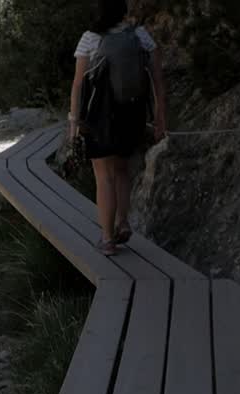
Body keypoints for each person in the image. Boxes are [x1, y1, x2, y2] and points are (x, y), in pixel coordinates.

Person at [68, 0, 168, 256]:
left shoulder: (90, 38)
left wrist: (75, 122)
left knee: (104, 177)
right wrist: (160, 118)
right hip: (131, 114)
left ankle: (107, 239)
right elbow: (157, 79)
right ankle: (123, 222)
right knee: (122, 170)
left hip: (100, 117)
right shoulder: (139, 36)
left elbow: (78, 85)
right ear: (123, 11)